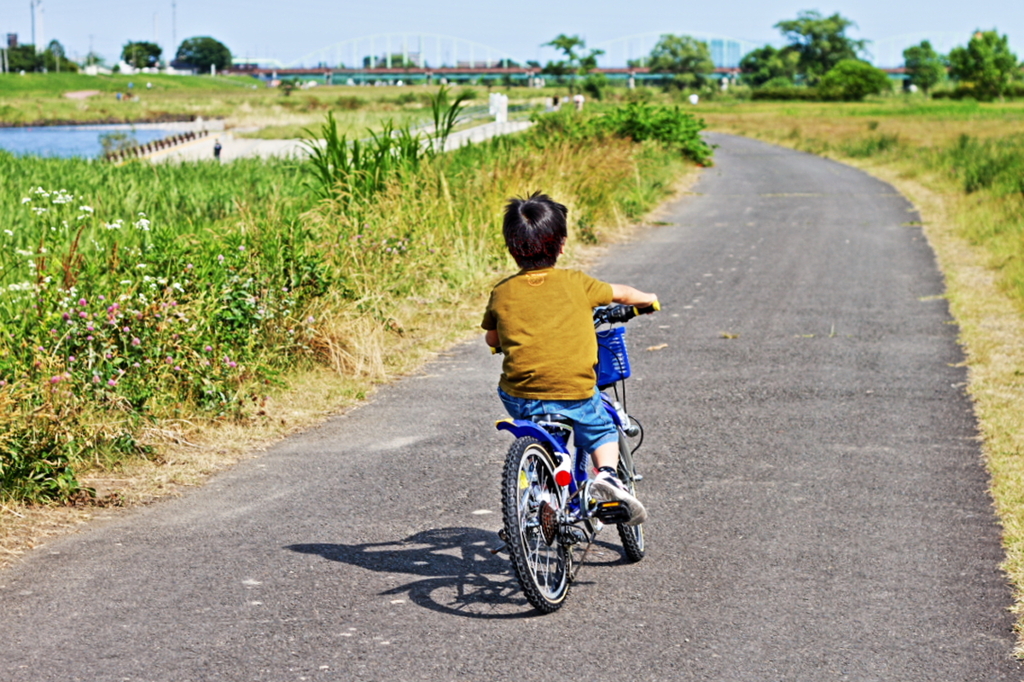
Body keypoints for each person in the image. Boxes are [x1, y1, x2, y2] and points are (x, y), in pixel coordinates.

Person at [482, 192, 657, 525]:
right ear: (561, 244)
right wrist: (647, 300)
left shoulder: (501, 292)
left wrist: (502, 341)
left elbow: (492, 339)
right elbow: (621, 293)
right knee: (599, 426)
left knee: (530, 412)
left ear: (511, 248)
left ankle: (539, 482)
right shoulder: (578, 283)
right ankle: (607, 475)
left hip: (520, 395)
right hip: (573, 389)